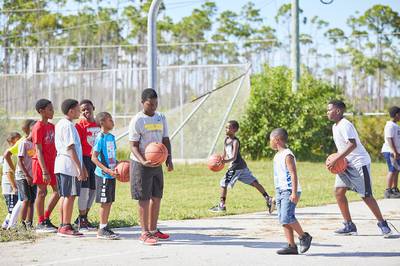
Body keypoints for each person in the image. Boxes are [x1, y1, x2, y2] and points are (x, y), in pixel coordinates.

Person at [326, 100, 392, 237]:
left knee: (366, 196)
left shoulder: (345, 125)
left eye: (329, 109)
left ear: (338, 111)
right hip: (345, 164)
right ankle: (349, 225)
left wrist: (337, 159)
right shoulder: (335, 126)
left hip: (358, 163)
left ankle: (383, 224)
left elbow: (353, 145)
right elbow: (342, 147)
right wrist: (336, 159)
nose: (327, 112)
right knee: (338, 192)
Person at [129, 88, 173, 245]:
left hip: (157, 162)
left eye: (155, 104)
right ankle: (144, 232)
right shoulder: (137, 120)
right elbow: (133, 145)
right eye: (150, 104)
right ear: (142, 103)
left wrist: (169, 159)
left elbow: (165, 139)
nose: (153, 107)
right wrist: (143, 160)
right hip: (141, 163)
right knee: (144, 198)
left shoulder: (161, 117)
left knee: (156, 196)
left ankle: (153, 230)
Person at [209, 120, 274, 214]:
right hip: (241, 167)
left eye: (228, 128)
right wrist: (220, 160)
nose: (226, 129)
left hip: (236, 166)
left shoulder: (235, 141)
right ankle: (269, 199)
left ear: (235, 130)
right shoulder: (226, 140)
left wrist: (225, 161)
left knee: (223, 183)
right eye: (226, 127)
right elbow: (224, 155)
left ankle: (221, 206)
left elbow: (234, 157)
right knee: (254, 182)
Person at [269, 128, 312, 255]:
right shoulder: (277, 156)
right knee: (283, 218)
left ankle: (304, 237)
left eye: (270, 140)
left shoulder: (288, 155)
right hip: (280, 190)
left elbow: (293, 174)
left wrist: (293, 192)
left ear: (277, 140)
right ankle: (291, 246)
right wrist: (276, 194)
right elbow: (279, 176)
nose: (269, 143)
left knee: (288, 216)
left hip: (290, 190)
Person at [55, 99, 86, 237]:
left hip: (63, 164)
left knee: (64, 195)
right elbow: (71, 148)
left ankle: (63, 224)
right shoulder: (68, 125)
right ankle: (66, 225)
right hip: (68, 164)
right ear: (71, 111)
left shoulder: (61, 124)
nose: (80, 112)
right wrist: (79, 168)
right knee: (70, 195)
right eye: (78, 109)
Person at [32, 99, 59, 233]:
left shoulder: (51, 126)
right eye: (50, 109)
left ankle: (46, 218)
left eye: (52, 108)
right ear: (41, 111)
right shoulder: (38, 127)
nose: (52, 111)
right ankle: (40, 221)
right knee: (42, 192)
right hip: (41, 164)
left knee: (58, 191)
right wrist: (44, 170)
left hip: (52, 163)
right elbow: (38, 150)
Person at [91, 112, 120, 240]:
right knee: (104, 202)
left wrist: (119, 165)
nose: (112, 121)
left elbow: (111, 156)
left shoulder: (111, 137)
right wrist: (107, 170)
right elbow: (94, 157)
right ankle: (101, 230)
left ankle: (105, 226)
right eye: (110, 120)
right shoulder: (100, 137)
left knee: (109, 201)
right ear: (102, 122)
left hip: (111, 174)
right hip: (103, 174)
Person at [74, 99, 101, 230]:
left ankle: (82, 217)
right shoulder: (79, 126)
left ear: (93, 108)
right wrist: (80, 165)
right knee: (84, 190)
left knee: (94, 190)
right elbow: (77, 147)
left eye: (88, 108)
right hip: (85, 159)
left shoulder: (99, 124)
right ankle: (82, 218)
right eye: (83, 110)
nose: (86, 111)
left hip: (97, 160)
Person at [15, 120, 37, 229]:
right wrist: (27, 175)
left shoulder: (36, 144)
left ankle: (29, 223)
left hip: (33, 176)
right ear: (30, 130)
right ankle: (21, 224)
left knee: (32, 201)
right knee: (26, 199)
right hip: (23, 176)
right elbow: (19, 161)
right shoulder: (24, 143)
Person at [1, 132, 21, 229]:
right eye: (18, 138)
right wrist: (14, 187)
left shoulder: (14, 152)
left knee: (13, 208)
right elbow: (8, 173)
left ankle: (6, 225)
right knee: (12, 209)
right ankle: (6, 226)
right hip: (10, 187)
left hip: (13, 186)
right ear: (13, 140)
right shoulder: (10, 153)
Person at [381, 106, 400, 199]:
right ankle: (388, 191)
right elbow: (389, 138)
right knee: (392, 170)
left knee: (396, 170)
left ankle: (395, 189)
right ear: (397, 115)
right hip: (390, 151)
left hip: (396, 152)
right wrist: (394, 151)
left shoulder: (395, 125)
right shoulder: (390, 125)